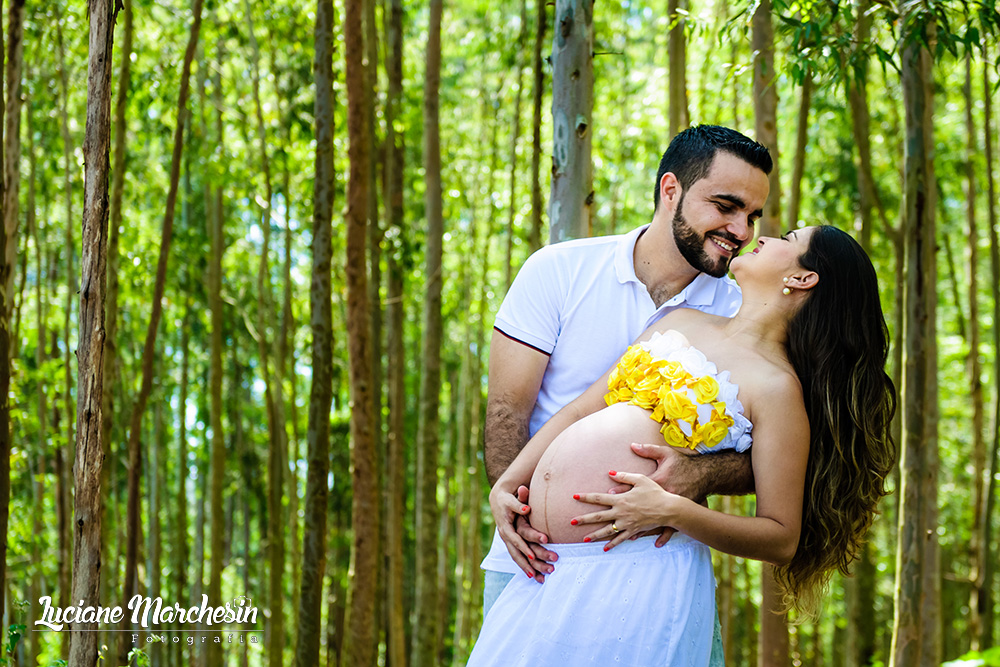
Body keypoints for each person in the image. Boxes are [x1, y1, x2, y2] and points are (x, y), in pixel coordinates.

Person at [469, 225, 896, 665]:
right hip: (545, 567)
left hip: (636, 573)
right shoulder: (681, 321)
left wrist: (672, 510)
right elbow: (579, 411)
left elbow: (781, 537)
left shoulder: (777, 388)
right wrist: (507, 484)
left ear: (804, 278)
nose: (763, 236)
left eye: (788, 239)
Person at [481, 125, 771, 662]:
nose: (741, 230)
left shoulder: (741, 311)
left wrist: (700, 474)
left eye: (752, 216)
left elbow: (773, 459)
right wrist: (517, 506)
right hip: (535, 563)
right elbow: (506, 413)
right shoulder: (558, 270)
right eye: (726, 206)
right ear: (670, 190)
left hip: (662, 570)